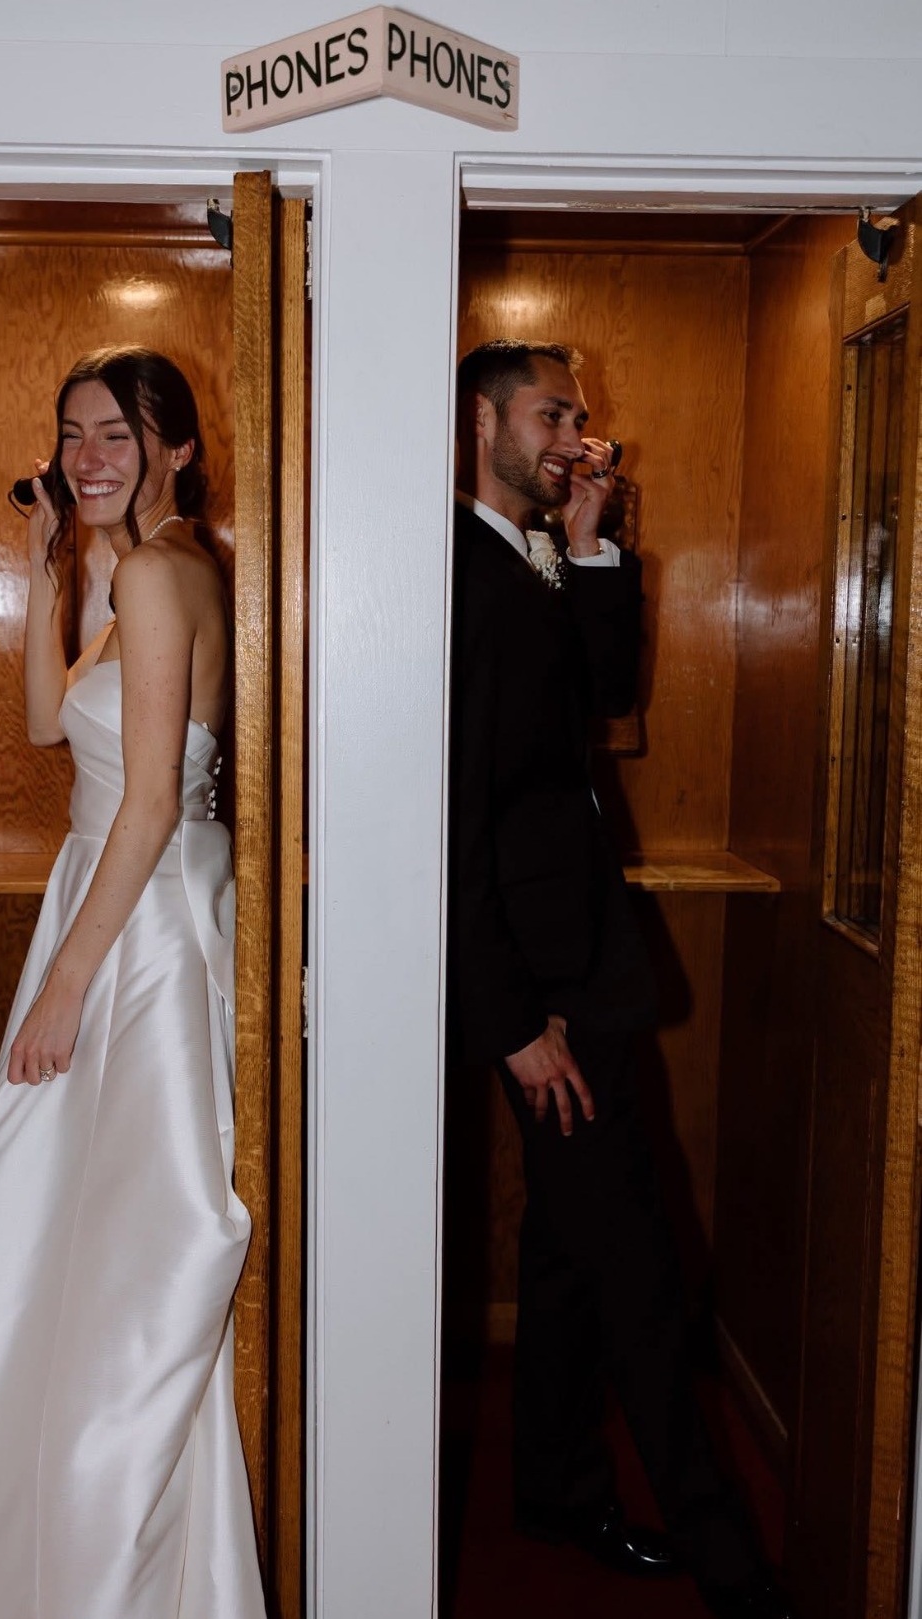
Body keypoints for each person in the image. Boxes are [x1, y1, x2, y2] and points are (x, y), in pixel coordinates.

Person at [0, 346, 266, 1619]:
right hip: (112, 902)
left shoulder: (161, 571)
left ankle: (94, 1518)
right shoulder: (140, 571)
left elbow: (148, 800)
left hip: (135, 924)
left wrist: (67, 980)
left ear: (177, 448)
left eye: (117, 433)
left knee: (121, 1226)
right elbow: (41, 723)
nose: (88, 456)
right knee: (64, 1206)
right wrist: (42, 572)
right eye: (73, 433)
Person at [448, 338, 793, 1619]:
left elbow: (599, 695)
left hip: (580, 963)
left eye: (578, 417)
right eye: (550, 415)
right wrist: (510, 1023)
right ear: (479, 420)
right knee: (640, 1269)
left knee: (565, 1250)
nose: (572, 438)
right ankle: (731, 1561)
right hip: (539, 991)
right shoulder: (452, 572)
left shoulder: (527, 556)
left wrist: (590, 545)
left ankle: (555, 1488)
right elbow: (447, 823)